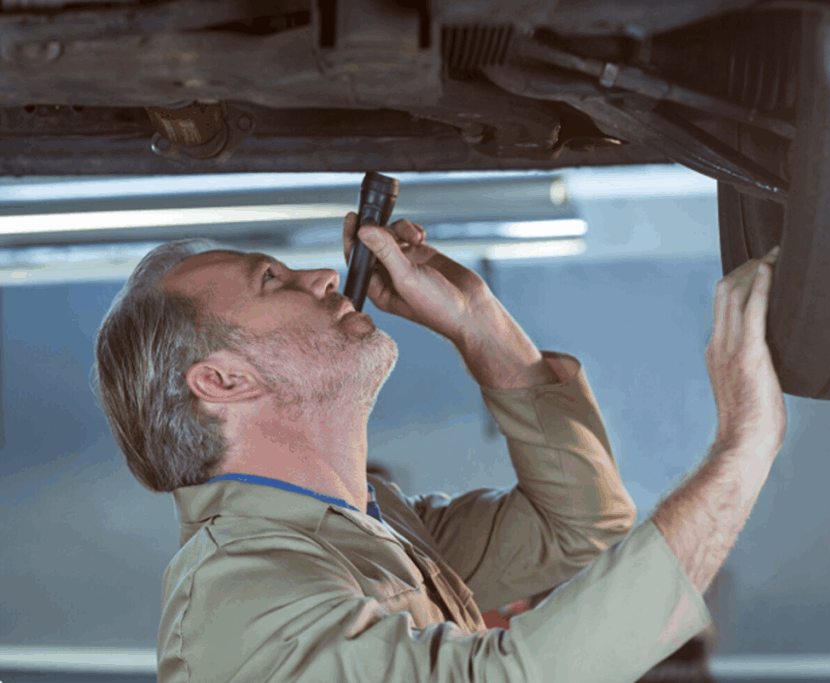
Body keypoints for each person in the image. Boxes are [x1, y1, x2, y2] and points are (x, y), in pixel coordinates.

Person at [91, 211, 785, 683]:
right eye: (272, 280)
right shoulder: (238, 593)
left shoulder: (373, 523)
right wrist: (744, 444)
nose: (323, 278)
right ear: (223, 379)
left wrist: (479, 323)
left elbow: (575, 524)